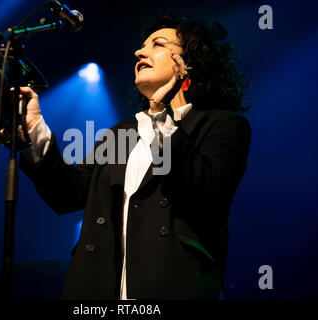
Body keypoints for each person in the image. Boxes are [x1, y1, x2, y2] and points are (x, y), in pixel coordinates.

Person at [18, 13, 251, 300]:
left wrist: (162, 117)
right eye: (142, 46)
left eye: (158, 44)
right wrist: (34, 129)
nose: (139, 52)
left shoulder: (224, 125)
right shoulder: (122, 133)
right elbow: (67, 194)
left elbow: (204, 188)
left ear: (187, 64)